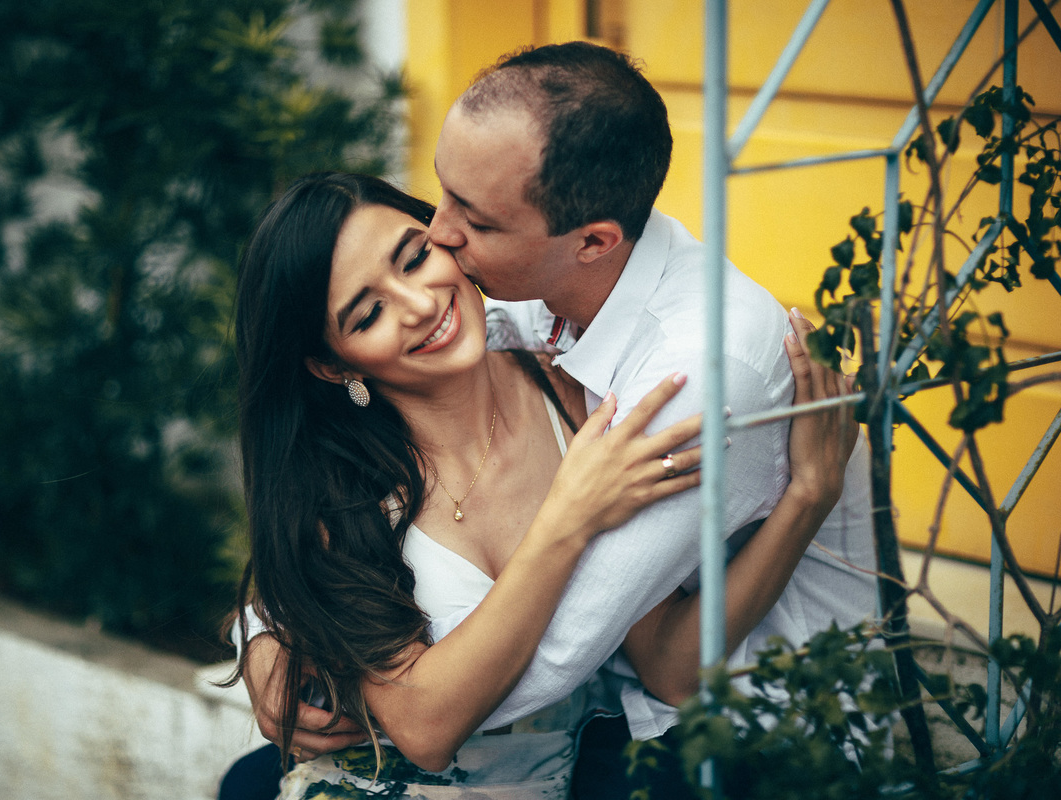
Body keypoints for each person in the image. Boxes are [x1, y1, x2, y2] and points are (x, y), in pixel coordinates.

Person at [236, 40, 878, 794]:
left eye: (416, 253)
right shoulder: (534, 345)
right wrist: (264, 635)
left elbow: (635, 664)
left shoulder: (610, 399)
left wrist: (809, 494)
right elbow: (306, 565)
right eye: (368, 312)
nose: (440, 247)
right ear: (332, 362)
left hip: (749, 736)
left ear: (592, 243)